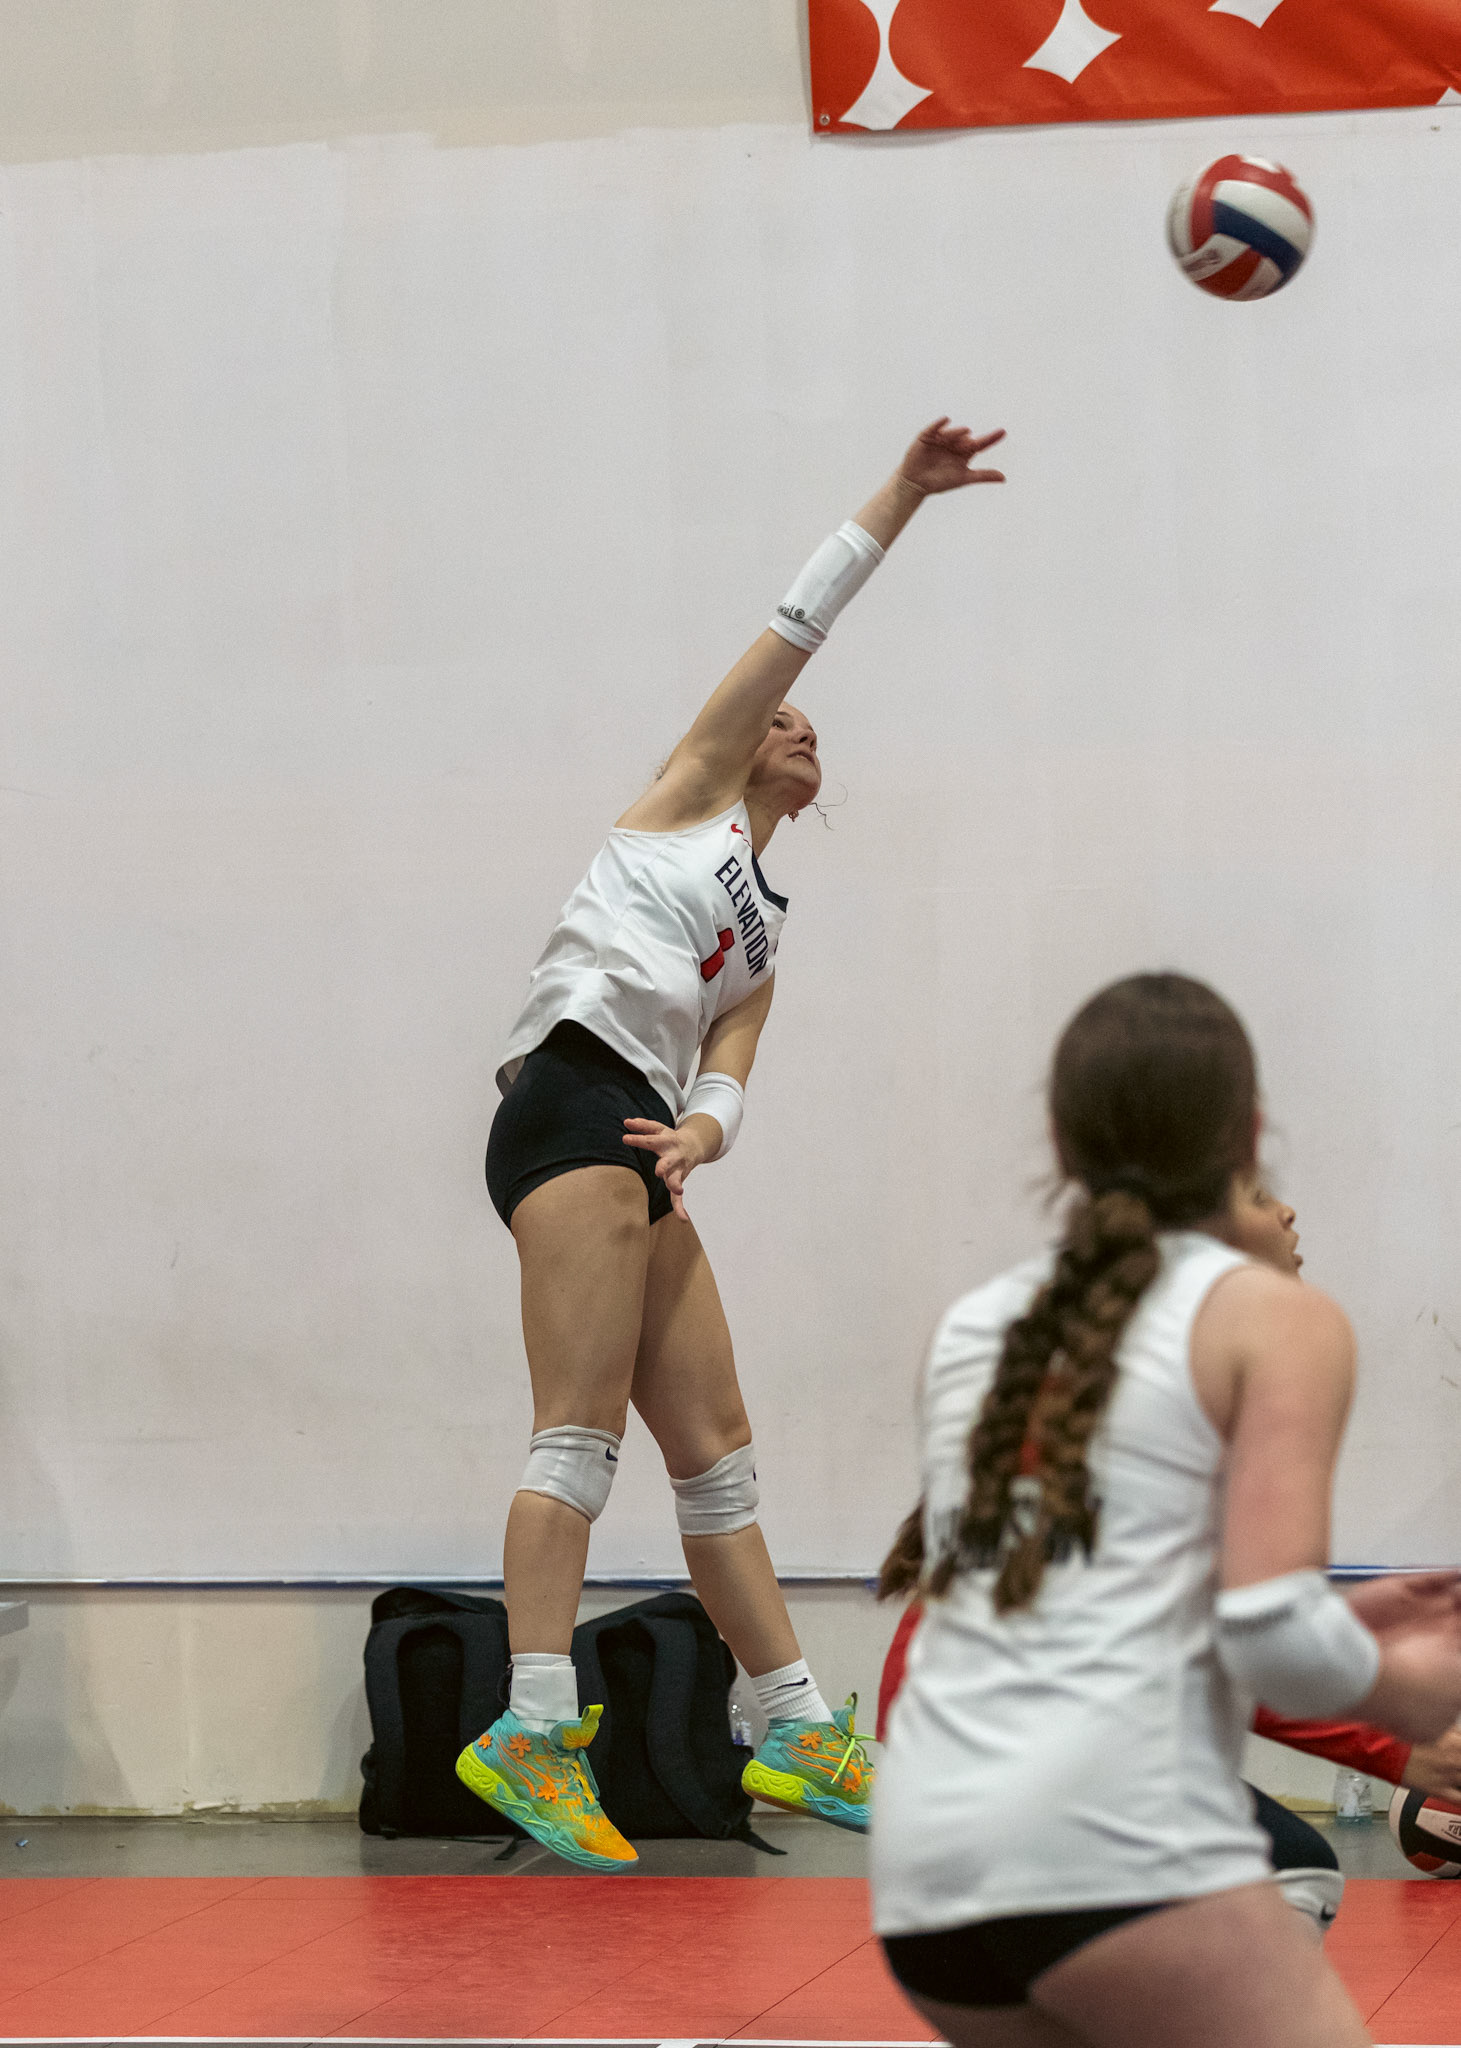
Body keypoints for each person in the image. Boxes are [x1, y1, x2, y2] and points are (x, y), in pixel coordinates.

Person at [456, 418, 1009, 1871]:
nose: (800, 728)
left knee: (717, 1457)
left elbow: (730, 1068)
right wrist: (904, 493)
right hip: (568, 1104)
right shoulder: (683, 800)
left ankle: (794, 1725)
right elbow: (800, 618)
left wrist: (702, 1131)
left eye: (810, 729)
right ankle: (529, 1719)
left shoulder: (761, 934)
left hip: (637, 1137)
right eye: (782, 720)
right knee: (577, 1436)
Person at [870, 971, 1461, 2047]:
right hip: (1104, 1848)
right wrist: (1415, 1694)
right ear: (1250, 1133)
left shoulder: (973, 1324)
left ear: (1060, 1144)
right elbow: (1270, 1632)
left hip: (925, 1878)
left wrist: (1349, 1625)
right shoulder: (1271, 1319)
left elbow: (1097, 1600)